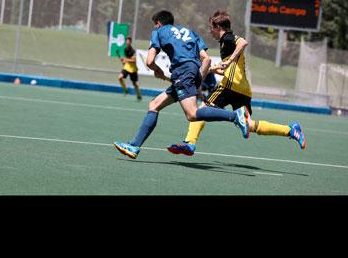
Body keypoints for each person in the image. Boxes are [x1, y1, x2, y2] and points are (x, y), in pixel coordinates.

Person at [113, 10, 250, 159]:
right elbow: (207, 60)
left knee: (192, 114)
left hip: (182, 72)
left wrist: (157, 70)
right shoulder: (190, 33)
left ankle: (235, 116)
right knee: (154, 105)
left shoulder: (158, 32)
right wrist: (197, 81)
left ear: (158, 23)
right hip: (191, 72)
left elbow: (149, 61)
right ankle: (134, 146)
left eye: (155, 25)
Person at [167, 10, 306, 157]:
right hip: (243, 89)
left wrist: (229, 61)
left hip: (229, 86)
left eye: (211, 28)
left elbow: (243, 42)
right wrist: (215, 69)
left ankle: (190, 143)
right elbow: (229, 65)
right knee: (249, 124)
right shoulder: (225, 43)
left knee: (200, 111)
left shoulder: (228, 38)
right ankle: (290, 130)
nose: (210, 31)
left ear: (217, 26)